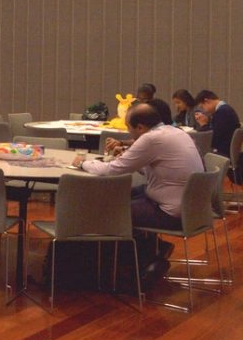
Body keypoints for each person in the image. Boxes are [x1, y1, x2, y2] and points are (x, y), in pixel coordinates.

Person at [73, 103, 203, 289]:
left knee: (108, 211)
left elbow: (111, 171)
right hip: (191, 208)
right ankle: (152, 250)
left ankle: (131, 263)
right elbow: (151, 166)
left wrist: (82, 163)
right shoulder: (174, 131)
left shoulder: (150, 139)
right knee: (121, 197)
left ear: (140, 127)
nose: (127, 131)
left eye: (128, 127)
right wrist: (128, 155)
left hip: (171, 211)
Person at [193, 89, 241, 157]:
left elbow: (212, 138)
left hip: (223, 152)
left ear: (207, 101)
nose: (203, 110)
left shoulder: (222, 112)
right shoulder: (226, 109)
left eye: (202, 107)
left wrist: (203, 125)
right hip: (227, 150)